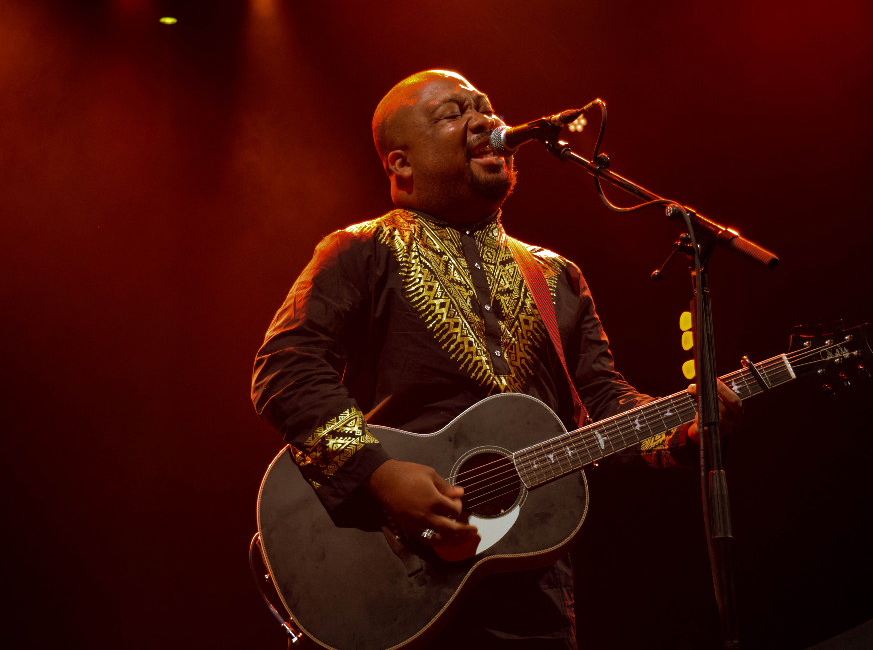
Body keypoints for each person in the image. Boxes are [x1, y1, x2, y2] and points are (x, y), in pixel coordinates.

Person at [251, 70, 743, 649]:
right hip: (393, 579)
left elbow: (605, 408)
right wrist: (380, 476)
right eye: (452, 113)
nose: (486, 121)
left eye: (485, 107)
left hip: (533, 593)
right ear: (401, 166)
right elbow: (285, 367)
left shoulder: (556, 275)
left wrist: (682, 432)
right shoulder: (363, 251)